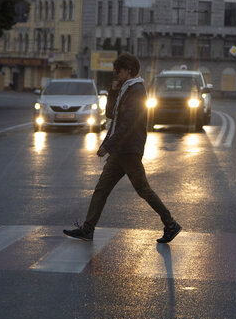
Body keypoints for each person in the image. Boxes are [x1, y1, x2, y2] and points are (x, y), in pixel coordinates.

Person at [64, 53, 182, 244]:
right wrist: (113, 91)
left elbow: (127, 124)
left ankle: (170, 224)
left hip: (129, 150)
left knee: (143, 189)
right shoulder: (126, 88)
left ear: (128, 70)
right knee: (101, 189)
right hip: (120, 150)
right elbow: (111, 113)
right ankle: (88, 229)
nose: (116, 73)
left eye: (118, 71)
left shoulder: (137, 91)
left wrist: (108, 146)